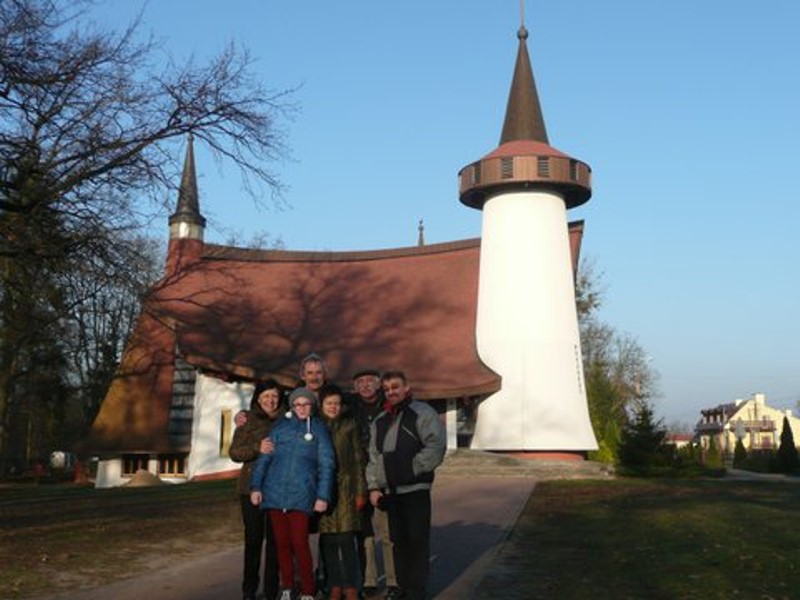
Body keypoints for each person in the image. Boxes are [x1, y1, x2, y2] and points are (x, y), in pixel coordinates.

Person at [366, 371, 446, 600]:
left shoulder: (422, 413)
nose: (391, 392)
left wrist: (411, 469)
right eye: (387, 389)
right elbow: (373, 456)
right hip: (390, 492)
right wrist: (374, 486)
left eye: (395, 387)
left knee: (417, 540)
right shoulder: (381, 420)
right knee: (397, 542)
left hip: (415, 490)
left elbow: (436, 446)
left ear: (406, 387)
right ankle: (401, 588)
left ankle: (416, 591)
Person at [250, 387, 336, 600]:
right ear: (292, 406)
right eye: (297, 404)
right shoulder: (279, 428)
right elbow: (264, 459)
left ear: (312, 406)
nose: (301, 408)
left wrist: (323, 496)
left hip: (302, 494)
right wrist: (256, 487)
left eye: (306, 404)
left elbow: (327, 464)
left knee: (300, 543)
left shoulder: (319, 429)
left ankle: (308, 590)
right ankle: (287, 587)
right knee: (281, 544)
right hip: (274, 492)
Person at [229, 380, 283, 600]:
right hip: (250, 487)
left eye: (274, 397)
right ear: (258, 399)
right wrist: (256, 448)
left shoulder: (286, 419)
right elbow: (234, 452)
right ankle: (249, 590)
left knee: (275, 541)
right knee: (253, 540)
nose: (270, 401)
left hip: (278, 488)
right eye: (266, 396)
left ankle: (271, 590)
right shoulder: (247, 420)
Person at [318, 384, 368, 600]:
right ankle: (334, 584)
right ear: (321, 405)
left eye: (336, 403)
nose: (333, 407)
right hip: (324, 490)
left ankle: (350, 585)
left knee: (347, 541)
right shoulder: (316, 426)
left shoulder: (350, 425)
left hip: (347, 489)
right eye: (329, 403)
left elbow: (358, 459)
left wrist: (360, 491)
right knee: (328, 541)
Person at [351, 369, 398, 599]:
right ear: (354, 387)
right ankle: (369, 579)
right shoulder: (349, 408)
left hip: (384, 476)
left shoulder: (389, 407)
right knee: (365, 533)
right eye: (360, 382)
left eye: (370, 381)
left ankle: (392, 579)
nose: (366, 385)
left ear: (379, 384)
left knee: (388, 531)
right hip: (359, 477)